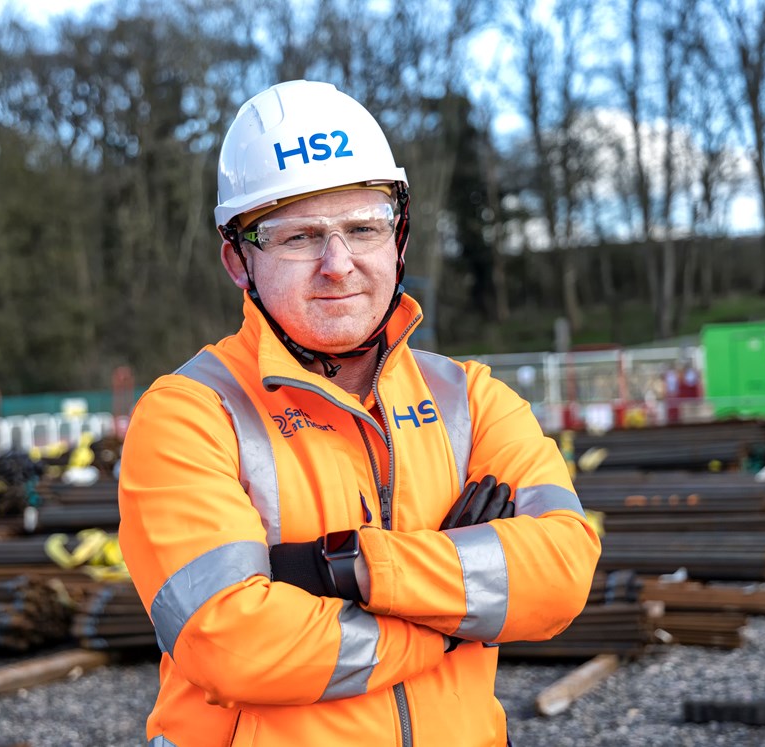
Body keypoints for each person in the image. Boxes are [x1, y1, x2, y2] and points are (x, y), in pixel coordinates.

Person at [118, 80, 601, 747]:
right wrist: (451, 614)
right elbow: (231, 642)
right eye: (300, 238)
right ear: (238, 260)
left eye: (362, 228)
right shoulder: (192, 414)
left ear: (397, 237)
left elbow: (564, 568)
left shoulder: (471, 399)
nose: (338, 264)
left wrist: (344, 568)